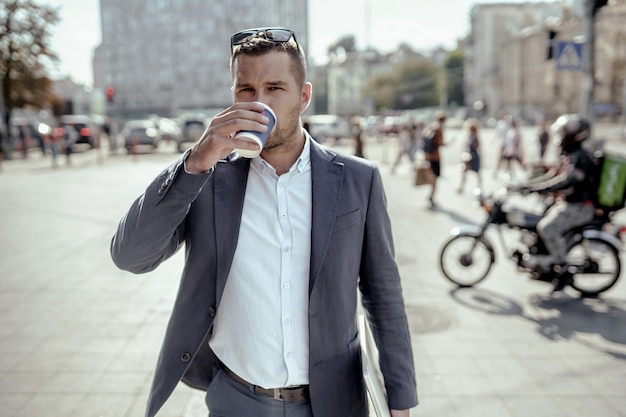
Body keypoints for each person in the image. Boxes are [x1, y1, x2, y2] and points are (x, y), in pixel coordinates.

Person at [110, 27, 417, 417]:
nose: (259, 103)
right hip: (237, 400)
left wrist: (400, 400)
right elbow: (130, 256)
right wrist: (195, 161)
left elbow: (384, 295)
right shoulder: (206, 180)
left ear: (303, 96)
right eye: (246, 90)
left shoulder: (359, 180)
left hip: (335, 400)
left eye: (274, 88)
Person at [515, 114, 596, 292]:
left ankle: (564, 270)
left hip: (580, 207)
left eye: (566, 133)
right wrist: (530, 185)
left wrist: (540, 189)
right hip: (566, 204)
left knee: (546, 228)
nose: (562, 136)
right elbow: (553, 175)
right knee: (535, 221)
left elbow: (566, 180)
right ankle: (544, 263)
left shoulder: (581, 157)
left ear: (578, 135)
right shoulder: (570, 154)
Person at [424, 111, 446, 208]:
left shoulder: (431, 127)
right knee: (435, 178)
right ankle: (431, 196)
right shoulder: (439, 130)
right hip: (435, 156)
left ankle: (431, 196)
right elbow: (440, 143)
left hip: (428, 156)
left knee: (432, 177)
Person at [457, 118, 481, 193]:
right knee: (465, 172)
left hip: (472, 155)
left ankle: (479, 187)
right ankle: (462, 187)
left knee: (476, 173)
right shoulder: (469, 136)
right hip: (469, 156)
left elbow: (477, 146)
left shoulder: (474, 137)